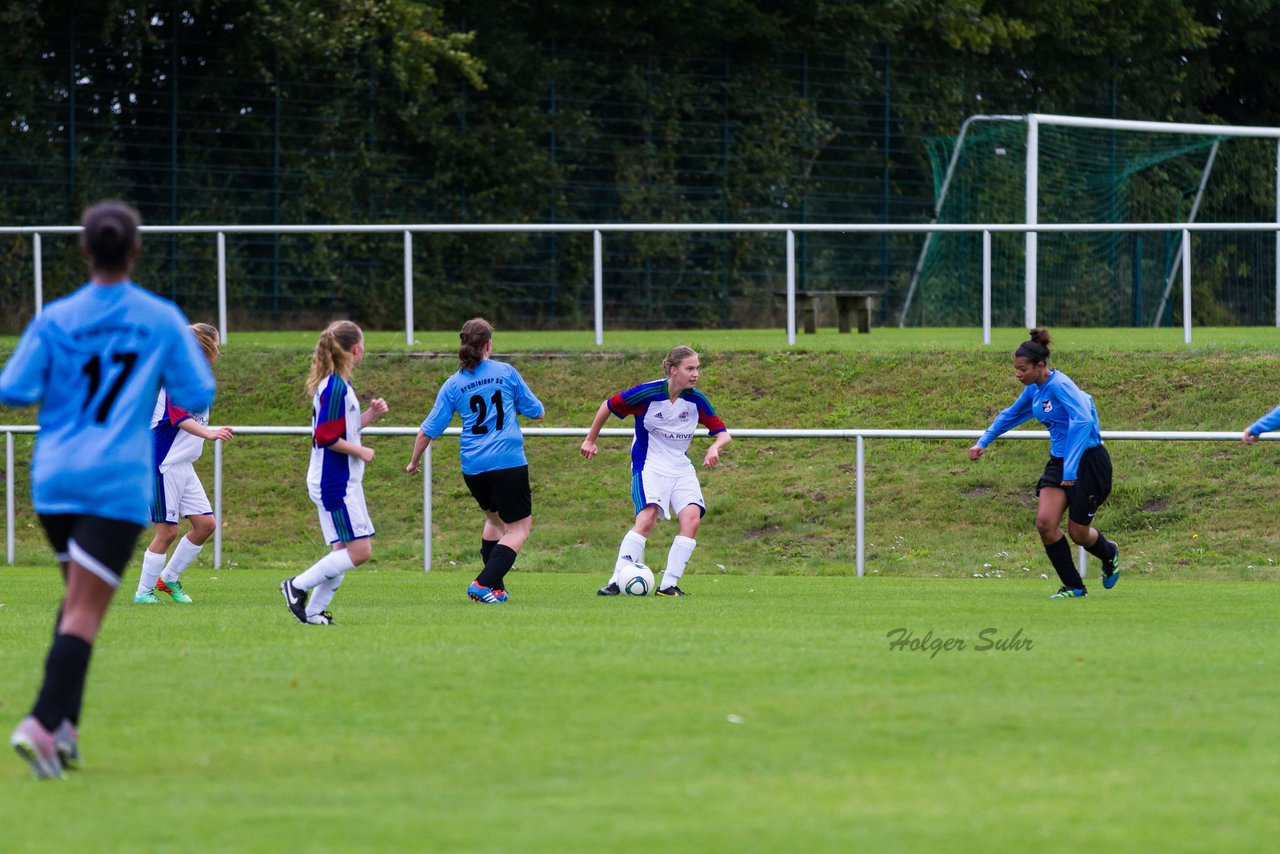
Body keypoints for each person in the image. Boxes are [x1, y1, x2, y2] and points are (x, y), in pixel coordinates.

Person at [0, 201, 216, 778]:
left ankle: (65, 728)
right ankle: (42, 724)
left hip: (54, 479)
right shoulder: (159, 316)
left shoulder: (56, 316)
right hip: (112, 482)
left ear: (86, 249)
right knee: (85, 613)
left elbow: (15, 388)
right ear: (136, 249)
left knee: (77, 602)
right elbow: (195, 386)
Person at [967, 328, 1119, 599]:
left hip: (1088, 462)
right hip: (1060, 461)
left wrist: (1071, 469)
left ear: (1040, 366)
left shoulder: (1061, 385)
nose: (1017, 374)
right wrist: (983, 442)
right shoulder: (1034, 390)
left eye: (1022, 368)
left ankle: (1109, 554)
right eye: (1015, 368)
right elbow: (1010, 415)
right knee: (1045, 524)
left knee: (1078, 533)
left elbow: (1083, 421)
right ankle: (1074, 586)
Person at [405, 318, 544, 604]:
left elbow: (427, 430)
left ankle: (497, 588)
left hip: (474, 468)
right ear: (489, 345)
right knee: (518, 529)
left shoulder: (453, 384)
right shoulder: (505, 372)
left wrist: (414, 462)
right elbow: (537, 411)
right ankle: (483, 583)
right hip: (507, 463)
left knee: (494, 522)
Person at [581, 345, 731, 597]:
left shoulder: (696, 400)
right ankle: (617, 580)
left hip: (681, 468)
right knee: (647, 518)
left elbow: (723, 434)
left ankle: (667, 585)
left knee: (692, 520)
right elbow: (607, 405)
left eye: (697, 368)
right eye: (689, 368)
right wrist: (590, 440)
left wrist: (715, 447)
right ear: (673, 370)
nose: (695, 374)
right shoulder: (647, 393)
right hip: (648, 465)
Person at [280, 321, 388, 625]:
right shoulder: (335, 388)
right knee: (360, 550)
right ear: (355, 349)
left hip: (340, 480)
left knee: (341, 550)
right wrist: (361, 452)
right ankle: (296, 586)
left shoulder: (340, 385)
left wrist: (371, 416)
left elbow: (343, 430)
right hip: (335, 482)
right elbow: (325, 437)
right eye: (363, 344)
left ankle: (312, 613)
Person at [134, 323, 234, 605]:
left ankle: (169, 579)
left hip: (182, 465)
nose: (218, 353)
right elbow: (178, 417)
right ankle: (144, 592)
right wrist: (209, 433)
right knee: (167, 531)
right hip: (162, 463)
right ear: (204, 347)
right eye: (216, 347)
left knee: (205, 525)